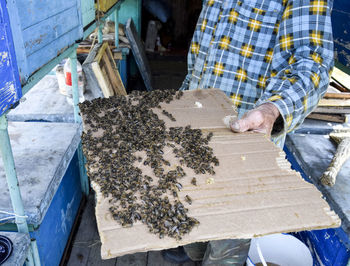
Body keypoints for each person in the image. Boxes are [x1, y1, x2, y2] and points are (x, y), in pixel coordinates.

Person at [163, 0, 334, 265]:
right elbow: (200, 60)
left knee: (225, 248)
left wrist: (271, 109)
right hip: (195, 136)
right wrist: (182, 103)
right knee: (191, 215)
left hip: (245, 153)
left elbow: (313, 63)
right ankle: (192, 253)